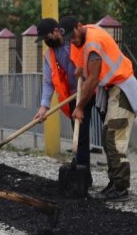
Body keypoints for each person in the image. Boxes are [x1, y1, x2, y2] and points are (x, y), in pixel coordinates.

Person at [66, 15, 137, 202]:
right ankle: (114, 182)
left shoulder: (93, 43)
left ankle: (121, 188)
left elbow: (92, 80)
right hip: (114, 90)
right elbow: (87, 68)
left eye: (73, 36)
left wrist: (80, 107)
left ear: (79, 25)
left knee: (114, 138)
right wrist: (80, 69)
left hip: (123, 89)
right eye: (69, 38)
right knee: (108, 134)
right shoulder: (88, 33)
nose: (72, 40)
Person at [32, 18, 93, 179]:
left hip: (93, 88)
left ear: (57, 31)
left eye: (47, 37)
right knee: (80, 136)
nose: (46, 41)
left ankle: (115, 181)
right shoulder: (49, 54)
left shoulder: (74, 41)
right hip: (75, 95)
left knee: (107, 133)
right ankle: (83, 177)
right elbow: (48, 82)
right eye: (43, 39)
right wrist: (44, 106)